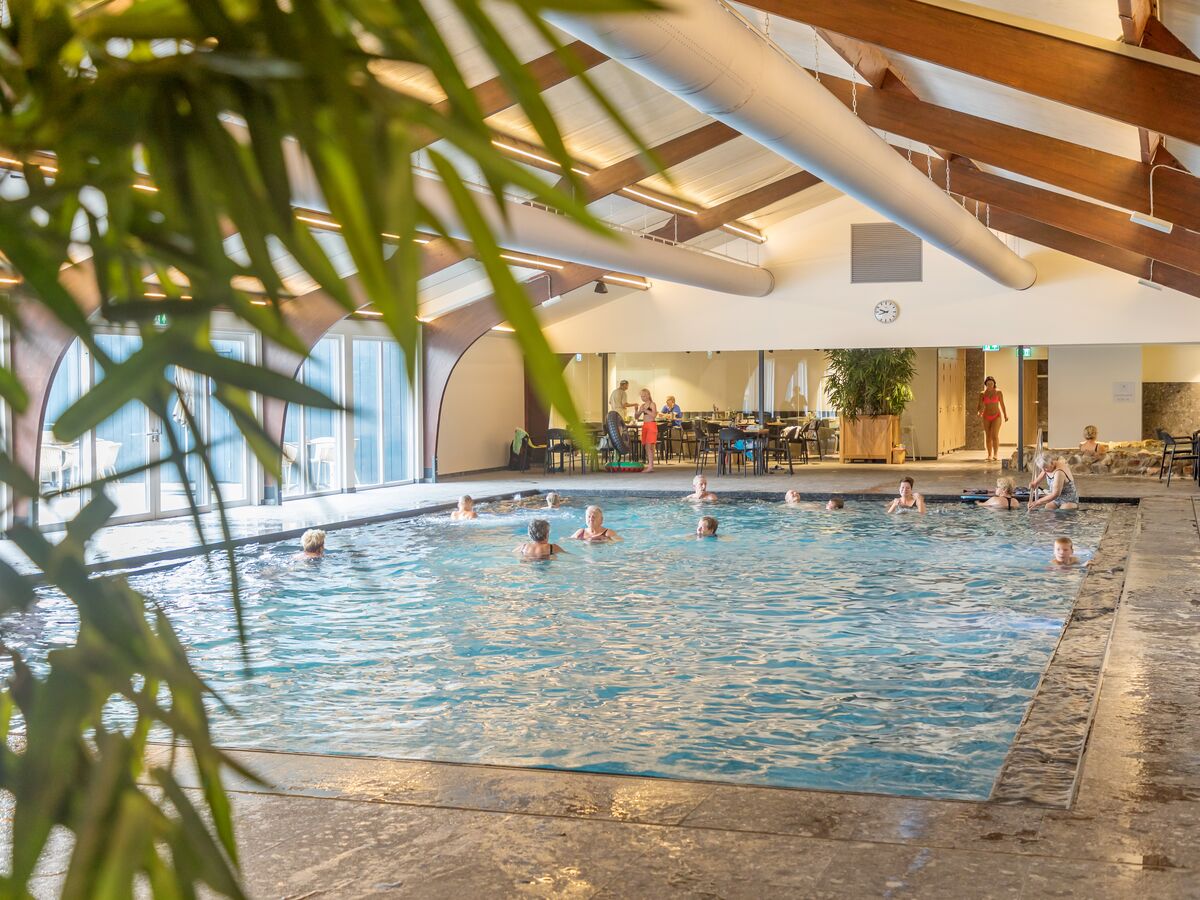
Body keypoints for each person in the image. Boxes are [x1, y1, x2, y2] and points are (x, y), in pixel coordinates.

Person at [977, 376, 1008, 463]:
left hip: (996, 416)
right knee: (988, 436)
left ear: (994, 383)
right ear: (985, 384)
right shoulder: (982, 393)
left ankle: (995, 454)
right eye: (988, 383)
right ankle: (989, 454)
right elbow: (979, 405)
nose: (990, 385)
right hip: (986, 416)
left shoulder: (998, 392)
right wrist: (979, 412)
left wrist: (1005, 415)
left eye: (991, 383)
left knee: (994, 435)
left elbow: (1002, 404)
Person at [634, 388, 658, 472]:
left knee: (649, 446)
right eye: (641, 396)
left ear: (648, 395)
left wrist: (645, 410)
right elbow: (636, 417)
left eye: (644, 396)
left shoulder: (652, 404)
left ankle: (650, 466)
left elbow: (654, 415)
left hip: (651, 425)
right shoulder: (642, 405)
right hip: (645, 426)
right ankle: (650, 465)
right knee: (646, 447)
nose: (642, 398)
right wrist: (637, 410)